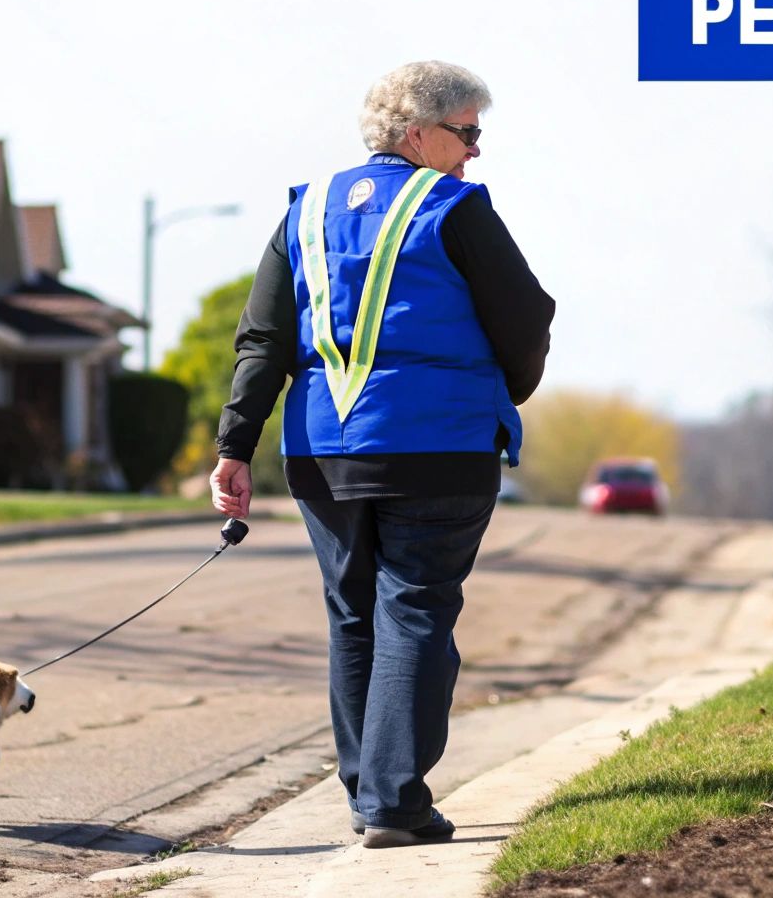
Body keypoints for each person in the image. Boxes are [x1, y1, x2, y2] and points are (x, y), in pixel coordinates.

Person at [208, 60, 554, 848]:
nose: (474, 152)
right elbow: (526, 318)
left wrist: (234, 445)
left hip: (323, 453)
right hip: (439, 446)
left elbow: (262, 339)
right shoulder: (453, 207)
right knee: (417, 606)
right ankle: (394, 804)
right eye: (467, 133)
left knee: (353, 615)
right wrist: (509, 391)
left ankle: (371, 798)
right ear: (418, 132)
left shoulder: (303, 212)